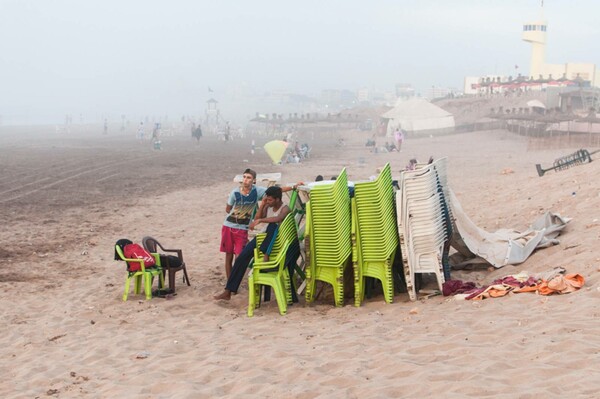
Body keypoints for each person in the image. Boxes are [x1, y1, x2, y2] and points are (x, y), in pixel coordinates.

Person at [213, 186, 291, 300]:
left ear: (278, 199)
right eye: (267, 199)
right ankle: (228, 291)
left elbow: (278, 218)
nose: (268, 202)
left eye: (270, 200)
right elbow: (257, 217)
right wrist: (263, 205)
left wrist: (260, 221)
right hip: (262, 238)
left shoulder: (285, 209)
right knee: (241, 258)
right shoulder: (268, 206)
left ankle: (265, 253)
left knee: (272, 226)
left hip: (273, 241)